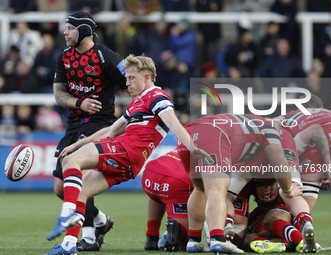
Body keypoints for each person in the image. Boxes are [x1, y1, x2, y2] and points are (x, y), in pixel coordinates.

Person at [44, 54, 212, 255]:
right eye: (126, 78)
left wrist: (193, 148)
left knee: (72, 161)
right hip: (129, 163)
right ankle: (69, 245)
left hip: (125, 150)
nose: (127, 83)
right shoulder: (137, 102)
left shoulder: (157, 96)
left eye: (132, 78)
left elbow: (173, 122)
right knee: (82, 191)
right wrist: (77, 144)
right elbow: (111, 131)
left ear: (147, 77)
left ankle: (66, 213)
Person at [51, 11, 127, 252]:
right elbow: (58, 93)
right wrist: (78, 103)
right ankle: (102, 220)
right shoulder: (64, 55)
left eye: (70, 28)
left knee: (80, 176)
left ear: (83, 31)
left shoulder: (107, 57)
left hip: (100, 125)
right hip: (74, 123)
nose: (65, 33)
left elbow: (134, 81)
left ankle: (89, 237)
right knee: (61, 189)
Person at [176, 114, 308, 254]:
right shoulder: (270, 129)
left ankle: (194, 241)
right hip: (212, 135)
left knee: (200, 189)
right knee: (217, 190)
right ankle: (218, 239)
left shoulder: (249, 122)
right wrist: (288, 190)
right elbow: (280, 164)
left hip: (188, 133)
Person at [142, 149, 193, 251]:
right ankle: (175, 229)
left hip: (150, 174)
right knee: (188, 238)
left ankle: (152, 237)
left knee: (159, 196)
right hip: (176, 181)